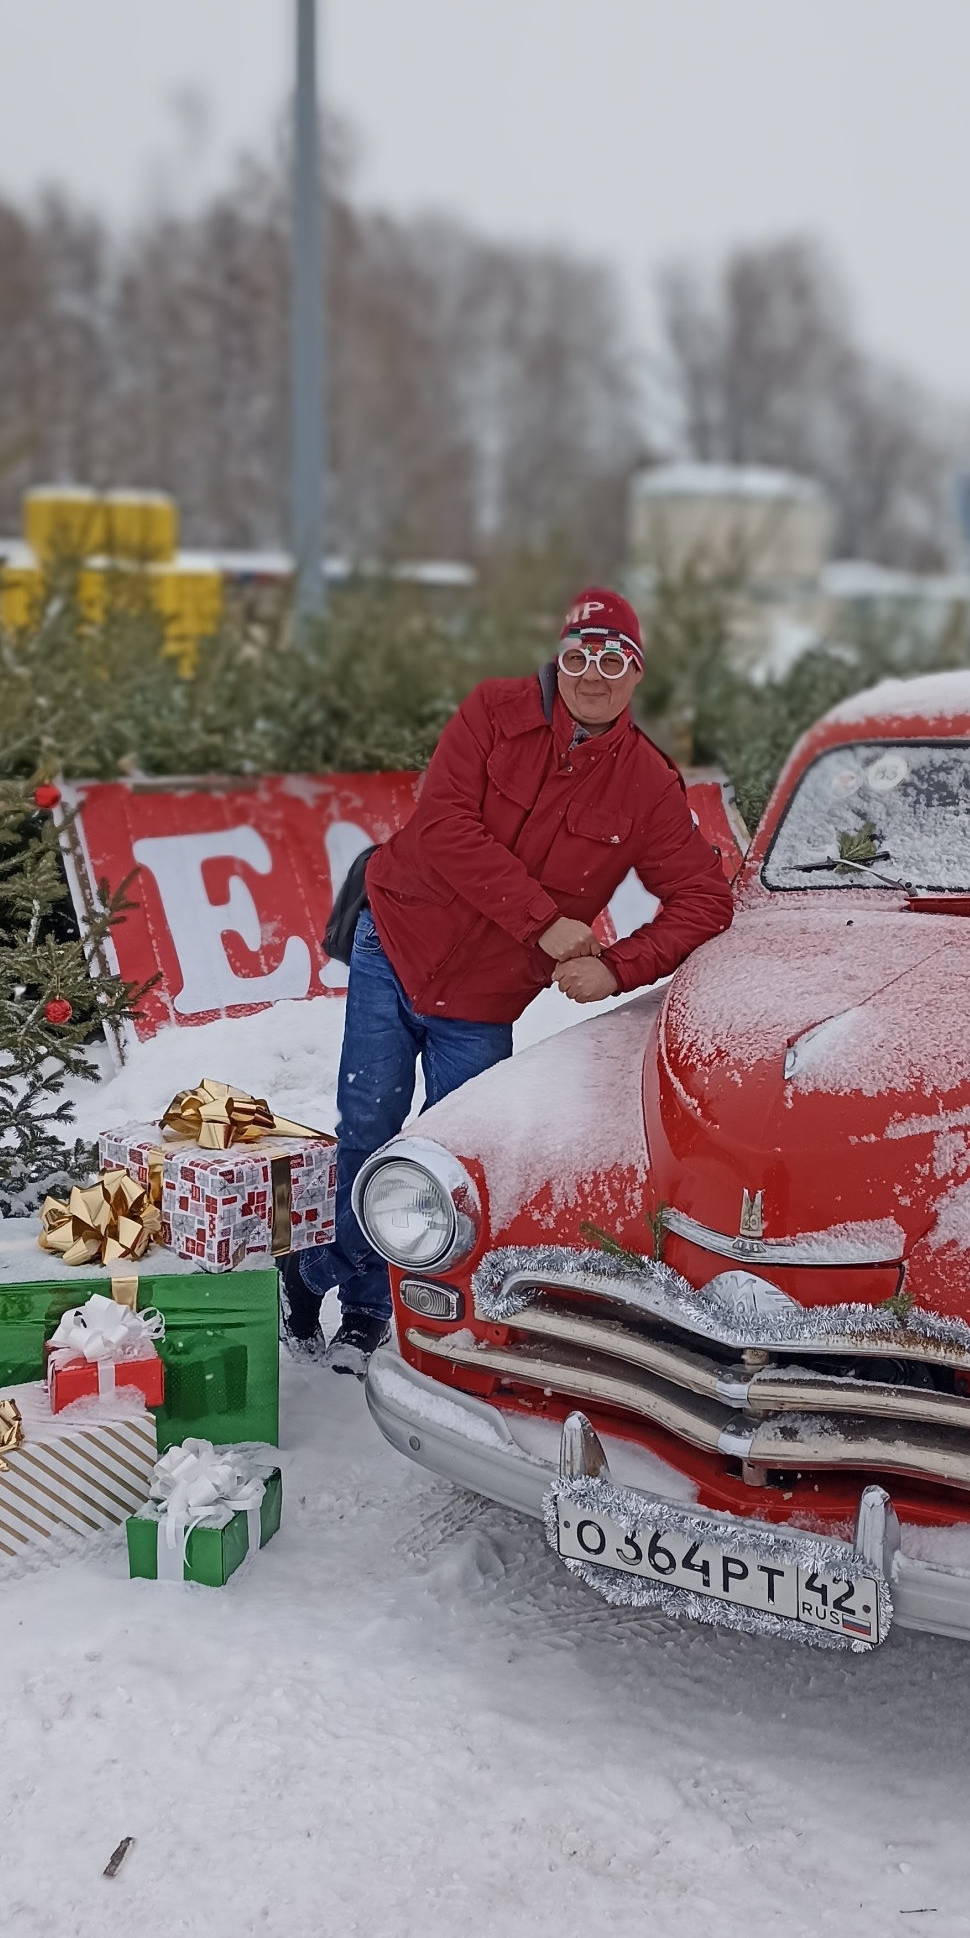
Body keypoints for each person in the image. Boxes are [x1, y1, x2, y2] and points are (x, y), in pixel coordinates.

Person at [286, 585, 736, 1370]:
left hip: (484, 998)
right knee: (368, 1122)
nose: (593, 673)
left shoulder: (646, 784)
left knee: (447, 1157)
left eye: (613, 658)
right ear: (558, 657)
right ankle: (363, 1305)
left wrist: (616, 964)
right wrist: (545, 921)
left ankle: (324, 1269)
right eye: (577, 654)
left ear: (637, 673)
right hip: (395, 938)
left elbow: (705, 899)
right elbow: (446, 826)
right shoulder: (493, 711)